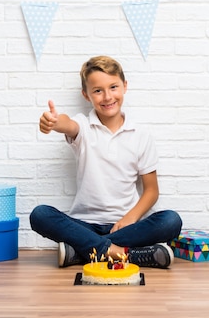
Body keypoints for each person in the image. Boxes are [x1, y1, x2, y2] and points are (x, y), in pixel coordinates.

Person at [30, 56, 182, 269]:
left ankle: (84, 252)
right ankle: (123, 254)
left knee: (171, 221)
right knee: (40, 215)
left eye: (113, 87)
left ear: (125, 86)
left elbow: (151, 191)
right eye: (98, 90)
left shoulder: (141, 135)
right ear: (86, 95)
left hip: (125, 227)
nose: (107, 96)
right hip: (84, 225)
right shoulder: (83, 126)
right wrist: (55, 123)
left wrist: (130, 218)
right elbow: (67, 123)